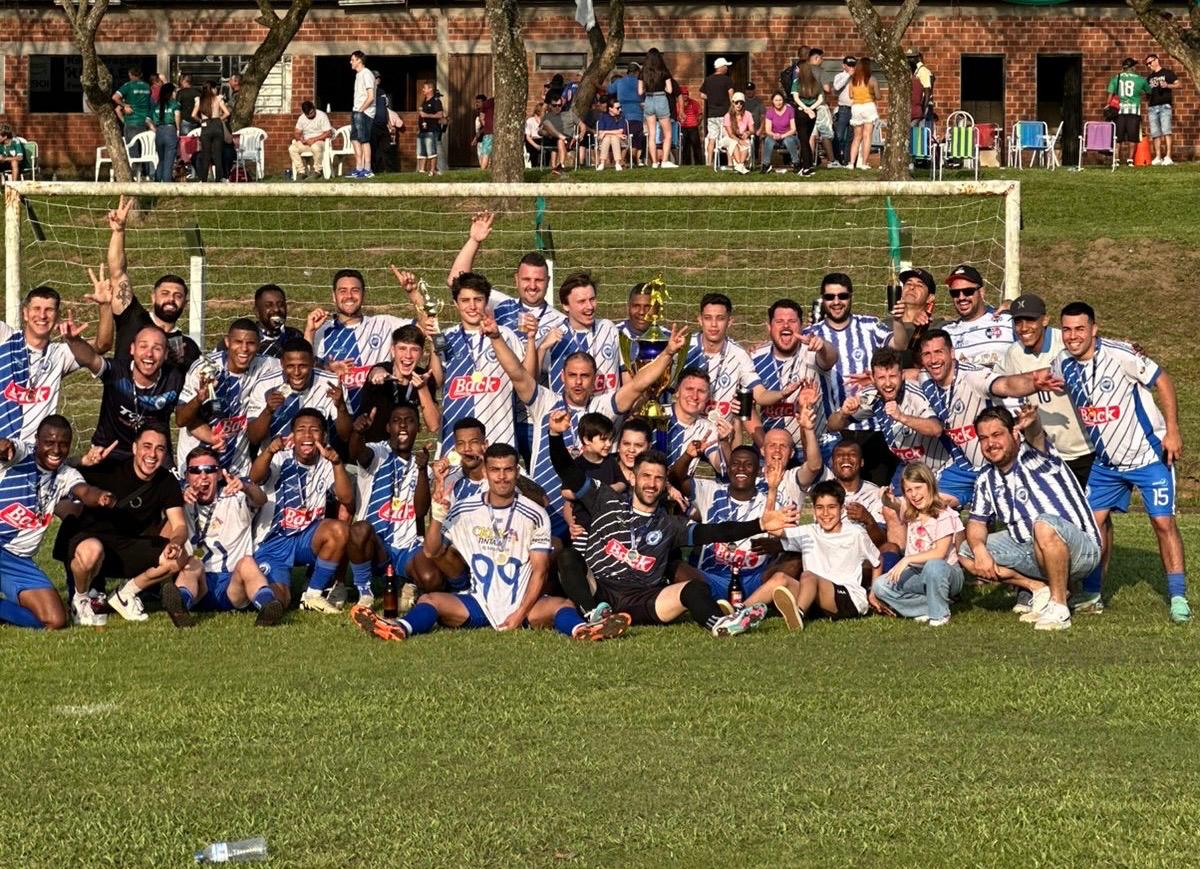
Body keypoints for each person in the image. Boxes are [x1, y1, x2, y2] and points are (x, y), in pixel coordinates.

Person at [352, 443, 631, 643]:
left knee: (563, 606)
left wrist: (519, 614)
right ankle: (399, 628)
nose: (502, 477)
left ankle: (583, 631)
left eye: (508, 470)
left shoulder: (534, 514)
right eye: (495, 470)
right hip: (479, 603)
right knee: (430, 600)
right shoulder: (466, 508)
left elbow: (540, 571)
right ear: (486, 471)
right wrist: (437, 514)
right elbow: (432, 550)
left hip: (524, 605)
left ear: (516, 472)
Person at [548, 415, 799, 636]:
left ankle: (720, 623)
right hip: (601, 589)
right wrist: (556, 435)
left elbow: (717, 532)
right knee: (568, 556)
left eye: (658, 478)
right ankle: (595, 617)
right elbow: (566, 470)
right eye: (646, 476)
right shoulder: (604, 499)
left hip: (643, 599)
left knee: (694, 588)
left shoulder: (670, 524)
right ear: (633, 477)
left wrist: (760, 523)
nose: (651, 484)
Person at [1040, 302, 1186, 622]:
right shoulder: (1062, 362)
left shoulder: (1121, 354)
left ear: (1094, 328)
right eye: (1066, 329)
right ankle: (1092, 594)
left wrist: (1172, 430)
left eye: (1080, 328)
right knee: (1092, 526)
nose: (1073, 336)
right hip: (1106, 464)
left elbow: (1163, 380)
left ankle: (1177, 598)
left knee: (1163, 523)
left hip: (1148, 456)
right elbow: (1038, 381)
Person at [491, 314, 688, 542]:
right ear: (562, 377)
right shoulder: (545, 401)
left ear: (595, 379)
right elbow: (517, 374)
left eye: (585, 376)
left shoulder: (603, 406)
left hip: (587, 511)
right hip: (544, 504)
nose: (578, 382)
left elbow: (638, 384)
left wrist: (667, 354)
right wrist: (496, 337)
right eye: (572, 375)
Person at [959, 406, 1101, 631]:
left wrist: (1034, 422)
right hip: (1030, 550)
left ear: (1014, 434)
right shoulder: (986, 478)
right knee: (966, 551)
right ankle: (1037, 588)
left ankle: (1059, 607)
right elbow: (976, 522)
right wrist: (979, 550)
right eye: (983, 438)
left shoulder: (1037, 455)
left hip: (1081, 550)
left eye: (997, 435)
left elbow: (1036, 435)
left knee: (1043, 524)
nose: (990, 444)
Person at [444, 211, 564, 459]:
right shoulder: (500, 306)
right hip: (499, 408)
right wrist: (474, 241)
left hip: (534, 417)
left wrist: (539, 346)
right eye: (526, 279)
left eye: (539, 280)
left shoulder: (560, 322)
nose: (532, 285)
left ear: (548, 281)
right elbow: (457, 282)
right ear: (516, 279)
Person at [57, 421, 190, 624]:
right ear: (135, 448)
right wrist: (82, 460)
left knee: (179, 558)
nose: (152, 454)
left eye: (160, 449)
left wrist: (176, 543)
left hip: (126, 546)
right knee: (91, 550)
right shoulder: (108, 467)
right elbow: (55, 469)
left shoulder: (167, 481)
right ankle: (80, 600)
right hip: (89, 542)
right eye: (146, 446)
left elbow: (179, 525)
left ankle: (125, 594)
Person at [232, 410, 354, 615]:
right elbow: (255, 477)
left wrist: (337, 463)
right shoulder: (279, 458)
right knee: (281, 598)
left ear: (323, 436)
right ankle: (261, 599)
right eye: (301, 430)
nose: (307, 436)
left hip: (307, 538)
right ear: (292, 435)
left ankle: (313, 595)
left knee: (339, 530)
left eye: (314, 430)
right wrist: (269, 451)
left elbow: (347, 498)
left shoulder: (327, 462)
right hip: (273, 540)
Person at [0, 417, 114, 630]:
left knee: (55, 620)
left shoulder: (66, 475)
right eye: (49, 442)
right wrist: (4, 446)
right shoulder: (22, 453)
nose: (56, 449)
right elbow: (8, 448)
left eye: (63, 444)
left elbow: (85, 491)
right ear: (37, 440)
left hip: (18, 560)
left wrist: (100, 497)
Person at [167, 446, 283, 627]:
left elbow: (260, 499)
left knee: (247, 562)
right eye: (195, 471)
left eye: (210, 470)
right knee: (192, 563)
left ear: (220, 474)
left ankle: (268, 606)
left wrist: (245, 486)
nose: (203, 476)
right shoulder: (181, 503)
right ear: (187, 476)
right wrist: (177, 498)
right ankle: (180, 605)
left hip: (232, 585)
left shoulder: (234, 497)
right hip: (200, 583)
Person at [59, 300, 183, 463]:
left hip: (152, 456)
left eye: (157, 348)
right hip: (109, 453)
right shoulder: (117, 372)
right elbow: (91, 359)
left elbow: (188, 414)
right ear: (132, 349)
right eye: (143, 346)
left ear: (166, 354)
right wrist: (74, 341)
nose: (149, 354)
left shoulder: (175, 378)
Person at [996, 294, 1095, 491]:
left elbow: (1098, 349)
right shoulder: (1014, 353)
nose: (1024, 328)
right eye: (1018, 321)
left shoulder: (1066, 341)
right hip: (1052, 452)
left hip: (1089, 448)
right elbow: (1001, 384)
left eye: (1031, 320)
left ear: (1045, 320)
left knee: (1096, 518)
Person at [803, 273, 894, 482]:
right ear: (822, 299)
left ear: (851, 297)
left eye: (842, 296)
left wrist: (898, 320)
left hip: (874, 429)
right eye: (830, 297)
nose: (836, 302)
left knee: (878, 496)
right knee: (835, 501)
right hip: (834, 431)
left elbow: (898, 344)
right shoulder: (811, 334)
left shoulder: (870, 325)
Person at [346, 403, 439, 608]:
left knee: (431, 578)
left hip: (406, 547)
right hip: (376, 545)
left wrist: (423, 470)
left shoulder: (422, 464)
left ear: (419, 428)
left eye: (409, 421)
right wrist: (357, 432)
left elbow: (421, 511)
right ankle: (364, 590)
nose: (403, 426)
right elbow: (356, 452)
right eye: (396, 421)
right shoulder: (376, 451)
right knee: (359, 529)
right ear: (388, 427)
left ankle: (409, 581)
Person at [98, 196, 201, 377]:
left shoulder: (188, 347)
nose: (170, 299)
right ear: (153, 297)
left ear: (184, 303)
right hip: (122, 402)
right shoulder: (133, 318)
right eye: (165, 293)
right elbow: (117, 272)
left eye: (177, 296)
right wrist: (119, 232)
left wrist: (180, 363)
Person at [762, 480, 882, 630]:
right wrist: (772, 491)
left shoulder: (856, 533)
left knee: (808, 576)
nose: (825, 514)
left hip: (848, 600)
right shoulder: (809, 531)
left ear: (842, 509)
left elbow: (877, 560)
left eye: (831, 507)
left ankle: (797, 615)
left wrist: (873, 594)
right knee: (780, 578)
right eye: (820, 508)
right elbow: (772, 528)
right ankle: (740, 611)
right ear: (813, 510)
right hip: (815, 600)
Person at [431, 272, 527, 455]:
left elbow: (525, 377)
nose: (472, 306)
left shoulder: (505, 335)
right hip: (455, 443)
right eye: (465, 300)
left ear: (487, 301)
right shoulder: (445, 338)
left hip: (500, 435)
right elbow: (436, 382)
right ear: (455, 303)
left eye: (478, 299)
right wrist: (433, 344)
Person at [827, 346, 949, 486]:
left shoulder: (915, 393)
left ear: (902, 375)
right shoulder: (872, 396)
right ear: (873, 378)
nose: (888, 383)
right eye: (881, 378)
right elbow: (831, 426)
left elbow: (936, 429)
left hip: (940, 467)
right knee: (888, 506)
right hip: (909, 467)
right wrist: (843, 413)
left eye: (892, 376)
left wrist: (901, 416)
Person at [175, 318, 283, 475]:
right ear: (227, 342)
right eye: (238, 342)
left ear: (259, 345)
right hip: (196, 464)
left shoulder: (266, 365)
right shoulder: (204, 368)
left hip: (237, 467)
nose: (244, 349)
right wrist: (199, 399)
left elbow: (296, 361)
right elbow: (180, 419)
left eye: (251, 343)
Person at [305, 268, 415, 415]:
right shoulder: (321, 331)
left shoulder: (384, 324)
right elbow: (302, 369)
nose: (349, 296)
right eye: (342, 291)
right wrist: (310, 332)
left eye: (355, 290)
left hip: (377, 419)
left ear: (364, 294)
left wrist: (413, 293)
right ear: (334, 296)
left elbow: (426, 326)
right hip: (335, 419)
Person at [870, 462, 963, 626]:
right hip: (917, 572)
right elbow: (891, 503)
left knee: (934, 566)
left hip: (946, 573)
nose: (914, 494)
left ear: (930, 485)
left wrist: (906, 559)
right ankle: (928, 606)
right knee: (880, 586)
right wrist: (885, 496)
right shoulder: (911, 509)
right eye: (909, 490)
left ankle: (939, 615)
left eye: (918, 488)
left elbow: (939, 553)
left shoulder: (944, 515)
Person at [749, 299, 837, 463]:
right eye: (779, 321)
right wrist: (763, 444)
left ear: (801, 325)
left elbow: (830, 358)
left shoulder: (812, 352)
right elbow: (746, 407)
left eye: (792, 321)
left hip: (816, 445)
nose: (786, 326)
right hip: (773, 449)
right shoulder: (755, 358)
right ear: (769, 326)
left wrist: (823, 345)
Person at [0, 286, 83, 444]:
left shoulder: (60, 354)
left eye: (49, 310)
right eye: (36, 308)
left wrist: (105, 306)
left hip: (34, 456)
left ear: (57, 316)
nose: (42, 315)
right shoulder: (5, 337)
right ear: (25, 313)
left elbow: (102, 346)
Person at [246, 337, 352, 448]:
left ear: (312, 362)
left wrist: (341, 407)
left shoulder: (332, 383)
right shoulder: (265, 385)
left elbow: (346, 436)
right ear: (282, 363)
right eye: (290, 366)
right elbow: (254, 438)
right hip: (273, 462)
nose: (296, 372)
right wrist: (268, 411)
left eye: (303, 366)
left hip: (316, 461)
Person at [538, 272, 625, 402]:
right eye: (582, 302)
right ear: (565, 305)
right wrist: (541, 348)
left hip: (606, 418)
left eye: (592, 299)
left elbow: (625, 372)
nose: (589, 307)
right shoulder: (552, 336)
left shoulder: (608, 328)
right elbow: (529, 381)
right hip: (566, 419)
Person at [358, 325, 441, 444]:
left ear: (422, 353)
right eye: (402, 348)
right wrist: (378, 375)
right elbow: (376, 372)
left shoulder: (422, 378)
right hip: (370, 450)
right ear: (393, 351)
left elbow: (434, 426)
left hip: (402, 453)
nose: (408, 355)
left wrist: (422, 389)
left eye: (414, 349)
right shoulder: (384, 369)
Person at [938, 264, 1013, 371]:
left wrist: (1015, 306)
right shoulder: (947, 332)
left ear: (981, 293)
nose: (961, 297)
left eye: (968, 291)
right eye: (955, 293)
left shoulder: (1007, 320)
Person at [1108, 57, 1150, 166]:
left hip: (1119, 111)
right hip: (1134, 111)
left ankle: (1116, 160)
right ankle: (1130, 160)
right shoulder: (1140, 79)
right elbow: (1149, 91)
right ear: (1132, 67)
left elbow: (1110, 95)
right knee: (1133, 137)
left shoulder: (1116, 78)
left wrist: (1108, 106)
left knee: (1118, 137)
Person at [638, 49, 676, 169]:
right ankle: (664, 161)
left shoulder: (643, 72)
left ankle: (654, 162)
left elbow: (639, 91)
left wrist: (647, 89)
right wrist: (662, 87)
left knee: (651, 134)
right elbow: (670, 90)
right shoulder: (663, 71)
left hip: (648, 100)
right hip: (661, 99)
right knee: (668, 134)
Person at [252, 284, 305, 359]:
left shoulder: (295, 336)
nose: (276, 309)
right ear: (257, 312)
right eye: (268, 305)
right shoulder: (249, 338)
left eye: (281, 305)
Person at [847, 56, 881, 171]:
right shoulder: (872, 79)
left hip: (856, 107)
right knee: (867, 136)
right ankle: (864, 163)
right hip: (868, 105)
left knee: (856, 137)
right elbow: (878, 96)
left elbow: (850, 95)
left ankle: (851, 162)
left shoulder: (853, 79)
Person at [608, 62, 645, 166]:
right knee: (636, 138)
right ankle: (633, 159)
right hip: (638, 114)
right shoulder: (640, 82)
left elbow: (609, 90)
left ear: (627, 71)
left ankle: (624, 160)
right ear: (637, 72)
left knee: (624, 137)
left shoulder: (619, 82)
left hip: (623, 114)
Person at [1145, 54, 1179, 165]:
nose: (1149, 65)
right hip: (1152, 107)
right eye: (1147, 64)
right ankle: (1158, 157)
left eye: (1150, 62)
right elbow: (1147, 93)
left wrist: (1168, 86)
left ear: (1157, 60)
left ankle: (1168, 156)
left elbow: (1179, 85)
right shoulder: (1149, 78)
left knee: (1166, 131)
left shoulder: (1168, 73)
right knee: (1155, 133)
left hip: (1165, 106)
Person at [701, 57, 735, 167]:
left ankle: (709, 162)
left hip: (712, 114)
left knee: (712, 138)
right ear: (721, 67)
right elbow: (731, 94)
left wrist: (711, 98)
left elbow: (702, 94)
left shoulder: (708, 79)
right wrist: (733, 108)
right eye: (725, 66)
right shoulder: (727, 79)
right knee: (728, 137)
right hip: (725, 113)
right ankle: (730, 162)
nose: (726, 68)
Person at [789, 63, 822, 175]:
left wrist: (806, 109)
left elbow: (796, 98)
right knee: (806, 139)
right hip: (812, 113)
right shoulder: (816, 83)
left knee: (803, 140)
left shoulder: (797, 82)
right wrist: (811, 109)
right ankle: (807, 164)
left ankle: (806, 167)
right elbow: (820, 99)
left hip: (801, 112)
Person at [289, 101, 333, 180]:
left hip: (320, 141)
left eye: (312, 113)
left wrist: (314, 139)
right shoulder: (302, 118)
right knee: (292, 148)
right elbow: (296, 133)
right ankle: (301, 172)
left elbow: (328, 133)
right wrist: (301, 139)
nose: (310, 115)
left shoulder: (322, 115)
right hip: (307, 142)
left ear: (314, 108)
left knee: (315, 147)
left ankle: (318, 171)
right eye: (307, 114)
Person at [196, 81, 230, 182]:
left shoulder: (200, 100)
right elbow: (227, 113)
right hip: (217, 125)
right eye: (215, 88)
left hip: (205, 125)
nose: (216, 90)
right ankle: (218, 178)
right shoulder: (218, 98)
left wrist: (200, 120)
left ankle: (203, 179)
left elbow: (193, 114)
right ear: (212, 89)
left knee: (206, 154)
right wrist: (220, 118)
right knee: (217, 154)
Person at [349, 50, 375, 178]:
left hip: (364, 112)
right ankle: (359, 168)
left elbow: (371, 97)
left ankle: (367, 168)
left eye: (352, 59)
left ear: (359, 60)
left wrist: (361, 110)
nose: (351, 62)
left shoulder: (367, 74)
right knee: (354, 139)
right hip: (356, 110)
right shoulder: (358, 75)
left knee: (364, 139)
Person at [760, 90, 801, 173]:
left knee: (788, 140)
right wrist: (775, 135)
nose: (778, 102)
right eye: (776, 100)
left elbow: (793, 129)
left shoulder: (790, 110)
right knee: (768, 140)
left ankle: (796, 163)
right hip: (775, 137)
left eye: (780, 100)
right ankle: (766, 164)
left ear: (783, 100)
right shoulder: (770, 111)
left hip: (788, 136)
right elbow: (768, 130)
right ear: (773, 101)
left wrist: (782, 136)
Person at [149, 82, 181, 182]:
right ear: (171, 92)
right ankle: (167, 184)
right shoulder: (175, 103)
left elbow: (148, 119)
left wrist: (155, 129)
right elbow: (177, 115)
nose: (175, 93)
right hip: (170, 130)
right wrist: (178, 129)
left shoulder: (156, 104)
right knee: (169, 160)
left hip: (159, 131)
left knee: (161, 159)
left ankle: (157, 182)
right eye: (174, 91)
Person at [112, 66, 152, 146]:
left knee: (132, 148)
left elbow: (115, 97)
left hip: (131, 121)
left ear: (130, 75)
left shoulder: (128, 85)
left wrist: (124, 105)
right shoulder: (147, 86)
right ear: (141, 75)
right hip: (143, 121)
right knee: (143, 148)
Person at [541, 93, 579, 174]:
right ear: (550, 106)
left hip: (567, 140)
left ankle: (561, 165)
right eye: (555, 105)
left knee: (560, 140)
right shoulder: (547, 116)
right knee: (547, 122)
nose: (558, 107)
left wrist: (579, 136)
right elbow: (539, 131)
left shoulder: (570, 114)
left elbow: (583, 126)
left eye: (559, 105)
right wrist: (547, 133)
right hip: (551, 138)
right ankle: (562, 137)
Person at [720, 92, 754, 174]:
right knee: (734, 143)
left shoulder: (748, 114)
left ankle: (739, 166)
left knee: (746, 143)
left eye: (741, 103)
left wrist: (748, 133)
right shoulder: (728, 116)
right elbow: (730, 134)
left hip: (742, 137)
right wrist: (739, 141)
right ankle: (740, 165)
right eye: (736, 103)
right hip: (729, 138)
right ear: (733, 103)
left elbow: (752, 130)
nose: (739, 105)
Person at [831, 56, 856, 167]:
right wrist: (848, 75)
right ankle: (836, 159)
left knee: (851, 136)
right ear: (844, 65)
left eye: (853, 65)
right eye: (849, 65)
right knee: (839, 135)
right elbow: (836, 87)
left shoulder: (857, 77)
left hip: (855, 109)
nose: (851, 67)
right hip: (843, 109)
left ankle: (847, 160)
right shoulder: (840, 76)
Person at [416, 81, 444, 176]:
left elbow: (440, 115)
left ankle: (433, 171)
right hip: (422, 130)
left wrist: (427, 115)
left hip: (432, 130)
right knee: (421, 151)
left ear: (430, 89)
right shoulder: (424, 101)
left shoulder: (436, 101)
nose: (423, 90)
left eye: (425, 88)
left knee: (431, 151)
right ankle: (422, 171)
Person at [594, 99, 626, 171]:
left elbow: (620, 131)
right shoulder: (603, 116)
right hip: (606, 139)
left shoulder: (621, 116)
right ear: (610, 109)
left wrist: (606, 132)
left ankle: (616, 163)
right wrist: (613, 133)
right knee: (608, 138)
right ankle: (603, 163)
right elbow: (600, 132)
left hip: (619, 139)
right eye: (617, 108)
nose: (620, 109)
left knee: (613, 138)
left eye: (620, 107)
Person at [908, 49, 935, 130]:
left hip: (923, 106)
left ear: (917, 58)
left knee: (921, 134)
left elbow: (927, 92)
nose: (909, 60)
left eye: (911, 57)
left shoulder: (923, 71)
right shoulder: (916, 71)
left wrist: (923, 110)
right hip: (918, 107)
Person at [676, 85, 703, 166]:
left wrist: (698, 122)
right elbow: (676, 115)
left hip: (693, 127)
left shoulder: (694, 103)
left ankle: (699, 164)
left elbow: (700, 114)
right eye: (683, 94)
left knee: (696, 146)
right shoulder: (677, 104)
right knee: (685, 146)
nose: (685, 96)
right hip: (683, 127)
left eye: (686, 94)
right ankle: (686, 164)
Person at [472, 94, 495, 170]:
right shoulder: (492, 104)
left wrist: (487, 126)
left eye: (479, 102)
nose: (477, 104)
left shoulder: (486, 106)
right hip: (486, 135)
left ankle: (483, 170)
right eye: (476, 102)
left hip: (487, 134)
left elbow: (482, 120)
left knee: (485, 153)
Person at [524, 102, 547, 168]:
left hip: (543, 140)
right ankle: (534, 166)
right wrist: (536, 146)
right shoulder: (530, 121)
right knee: (533, 152)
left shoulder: (546, 121)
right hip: (533, 141)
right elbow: (528, 137)